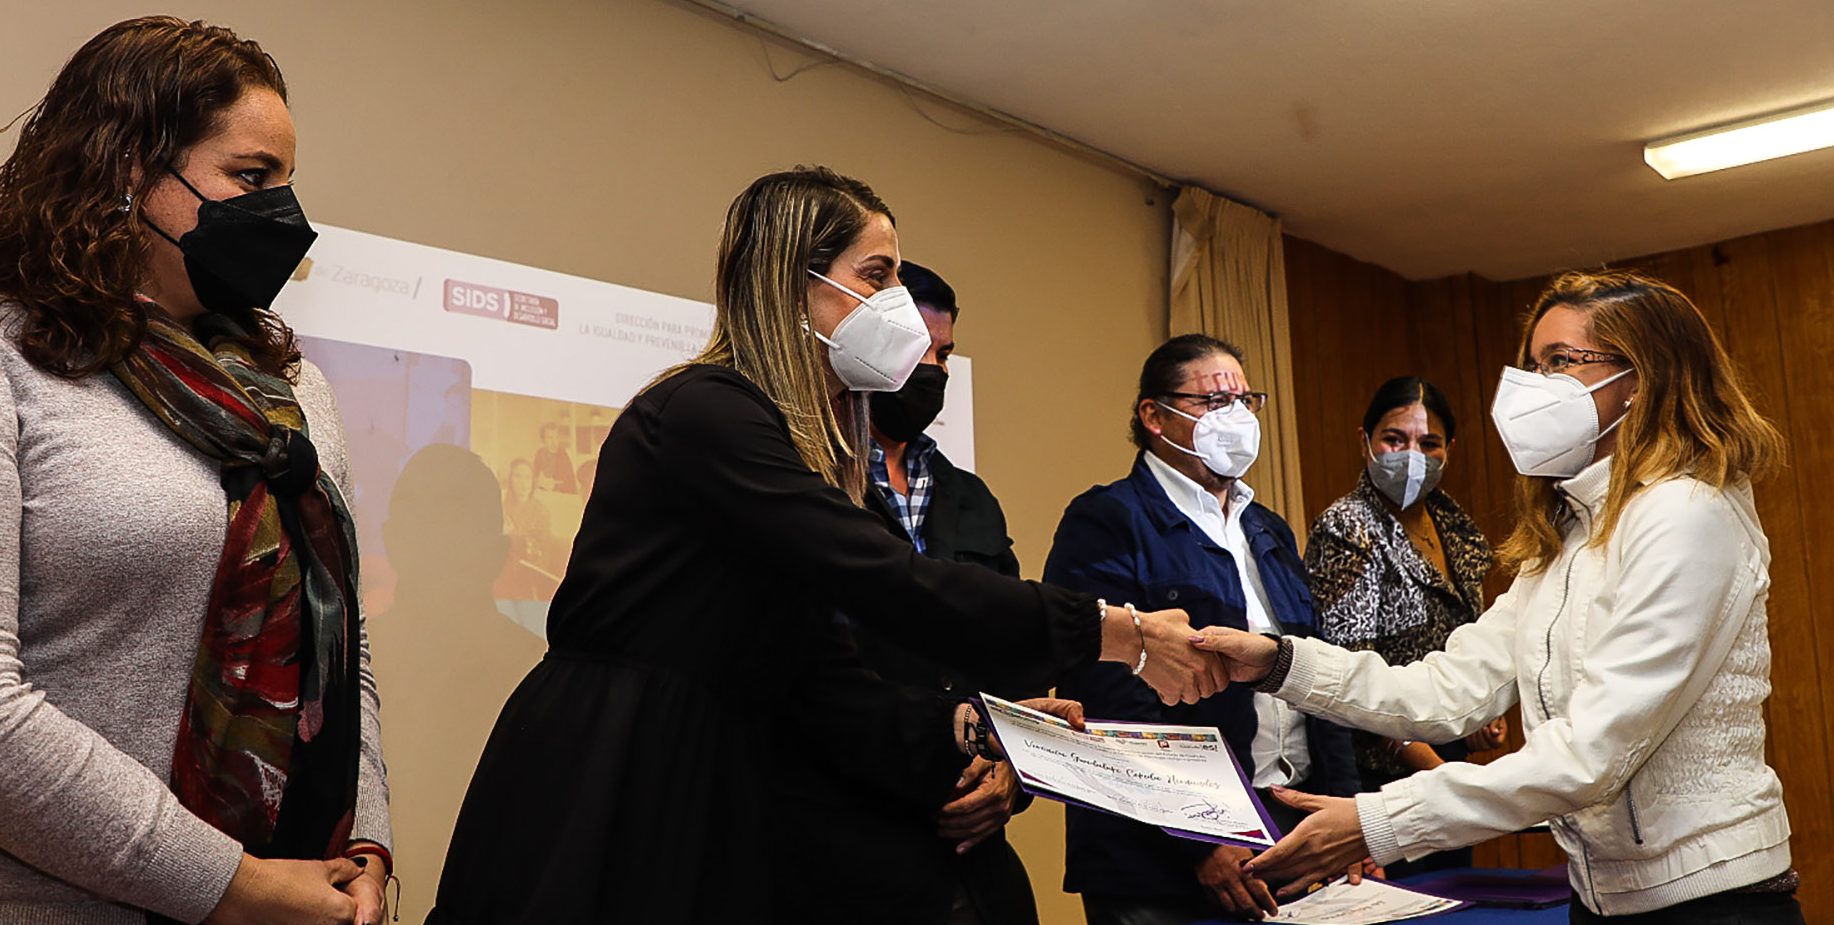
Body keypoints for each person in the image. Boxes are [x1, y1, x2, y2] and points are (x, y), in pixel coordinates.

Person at [428, 167, 1223, 924]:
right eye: (877, 275)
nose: (898, 303)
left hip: (707, 779)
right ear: (792, 281)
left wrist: (977, 724)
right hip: (615, 766)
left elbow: (823, 679)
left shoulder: (800, 450)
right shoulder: (706, 410)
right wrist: (1116, 630)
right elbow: (888, 578)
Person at [1194, 270, 1803, 924]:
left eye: (1561, 361)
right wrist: (1277, 663)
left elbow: (1590, 755)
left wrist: (1379, 822)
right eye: (1533, 365)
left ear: (1639, 378)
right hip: (1605, 896)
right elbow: (1447, 688)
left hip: (1711, 898)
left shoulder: (1685, 513)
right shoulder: (1573, 530)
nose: (1535, 385)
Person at [0, 17, 391, 925]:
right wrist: (234, 885)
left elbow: (343, 645)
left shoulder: (293, 390)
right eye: (254, 178)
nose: (286, 216)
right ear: (128, 170)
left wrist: (364, 846)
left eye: (289, 182)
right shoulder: (14, 360)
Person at [1045, 334, 1365, 924]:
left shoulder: (1267, 528)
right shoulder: (1108, 519)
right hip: (1158, 856)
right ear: (1154, 416)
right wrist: (1203, 836)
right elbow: (1108, 696)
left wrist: (1347, 816)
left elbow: (1316, 672)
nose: (1236, 417)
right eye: (1215, 402)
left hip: (1284, 823)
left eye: (1245, 401)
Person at [826, 260, 1043, 925]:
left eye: (944, 355)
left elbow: (1014, 653)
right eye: (918, 349)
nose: (933, 371)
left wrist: (1013, 772)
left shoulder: (969, 496)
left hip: (976, 856)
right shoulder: (811, 481)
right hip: (845, 848)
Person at [1305, 376, 1507, 875]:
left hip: (1445, 768)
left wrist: (1479, 714)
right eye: (1394, 440)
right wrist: (1435, 769)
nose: (1412, 456)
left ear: (1449, 449)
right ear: (1365, 442)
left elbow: (1469, 640)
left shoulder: (1455, 527)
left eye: (1428, 443)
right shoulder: (1348, 527)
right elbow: (1348, 677)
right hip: (1380, 780)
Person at [531, 421, 578, 493]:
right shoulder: (540, 454)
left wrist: (553, 485)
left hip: (563, 494)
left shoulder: (562, 455)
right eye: (550, 438)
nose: (554, 442)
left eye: (557, 437)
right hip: (546, 492)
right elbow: (534, 476)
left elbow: (570, 484)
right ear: (543, 440)